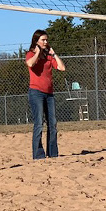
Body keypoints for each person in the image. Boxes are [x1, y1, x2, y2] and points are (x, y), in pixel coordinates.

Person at [25, 29, 66, 159]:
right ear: (36, 41)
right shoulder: (30, 54)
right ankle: (38, 154)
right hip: (36, 93)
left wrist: (54, 54)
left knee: (52, 123)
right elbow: (30, 64)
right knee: (38, 123)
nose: (46, 42)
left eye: (46, 40)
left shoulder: (48, 56)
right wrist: (37, 52)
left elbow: (62, 68)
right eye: (43, 40)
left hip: (49, 94)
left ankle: (53, 153)